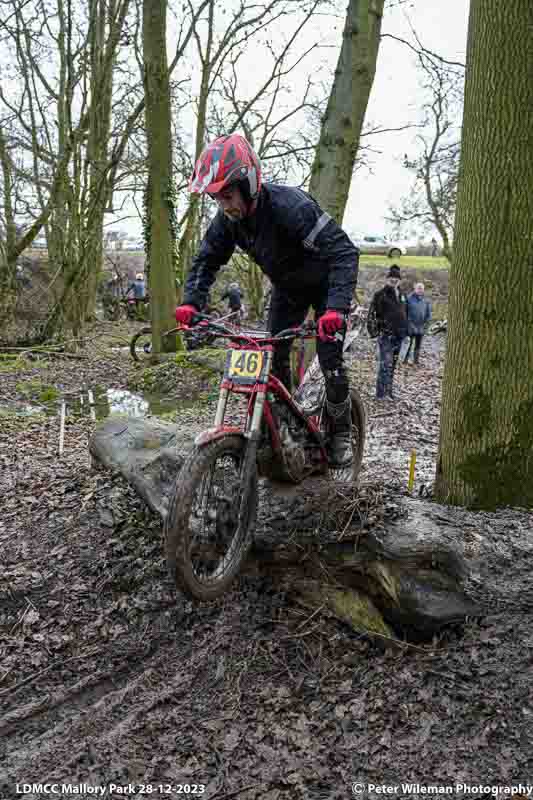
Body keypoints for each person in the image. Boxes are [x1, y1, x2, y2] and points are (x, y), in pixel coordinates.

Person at [174, 133, 359, 468]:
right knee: (271, 358)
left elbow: (344, 253)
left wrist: (335, 308)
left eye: (227, 196)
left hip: (325, 286)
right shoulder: (229, 221)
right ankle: (288, 429)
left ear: (248, 184)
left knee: (330, 361)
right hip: (287, 289)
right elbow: (206, 260)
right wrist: (191, 303)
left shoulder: (291, 207)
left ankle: (341, 434)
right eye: (217, 199)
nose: (224, 205)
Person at [367, 265, 408, 400]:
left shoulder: (402, 295)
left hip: (399, 334)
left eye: (396, 278)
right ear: (387, 279)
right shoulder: (380, 294)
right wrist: (375, 331)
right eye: (391, 278)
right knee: (385, 364)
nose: (394, 280)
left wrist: (406, 330)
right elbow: (372, 313)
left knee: (393, 364)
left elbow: (405, 313)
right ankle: (381, 394)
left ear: (399, 280)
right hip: (386, 335)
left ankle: (389, 392)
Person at [403, 282, 431, 366]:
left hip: (421, 326)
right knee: (409, 344)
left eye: (421, 288)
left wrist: (426, 325)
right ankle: (405, 360)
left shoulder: (426, 300)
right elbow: (405, 312)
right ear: (415, 289)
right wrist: (409, 324)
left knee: (418, 345)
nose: (420, 290)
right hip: (410, 325)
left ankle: (416, 361)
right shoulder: (409, 298)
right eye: (418, 288)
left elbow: (428, 314)